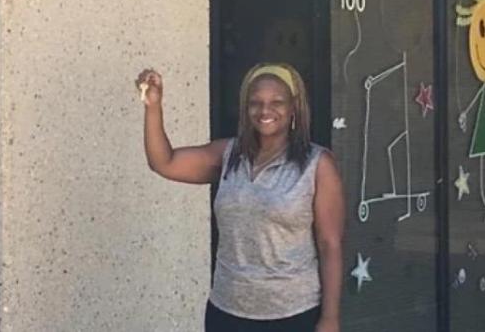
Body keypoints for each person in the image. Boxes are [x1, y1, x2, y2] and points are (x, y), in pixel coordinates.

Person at [139, 64, 344, 332]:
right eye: (255, 103)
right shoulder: (228, 155)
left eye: (277, 102)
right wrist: (153, 106)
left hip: (292, 313)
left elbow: (330, 244)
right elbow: (164, 162)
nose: (265, 110)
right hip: (227, 310)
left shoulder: (317, 164)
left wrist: (330, 318)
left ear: (294, 107)